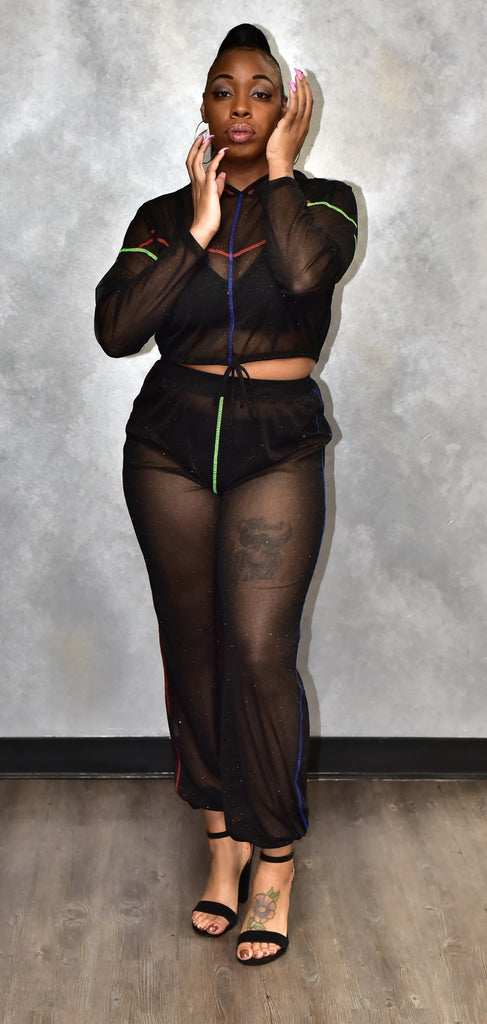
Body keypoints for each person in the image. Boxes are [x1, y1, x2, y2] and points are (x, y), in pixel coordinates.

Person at [95, 23, 357, 965]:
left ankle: (274, 855)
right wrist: (198, 230)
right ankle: (221, 841)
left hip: (275, 443)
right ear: (202, 104)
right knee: (194, 649)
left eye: (260, 90)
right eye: (223, 89)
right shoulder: (162, 215)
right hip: (169, 442)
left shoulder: (325, 202)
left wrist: (280, 169)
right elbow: (118, 330)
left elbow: (302, 273)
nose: (240, 106)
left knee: (256, 654)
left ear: (285, 107)